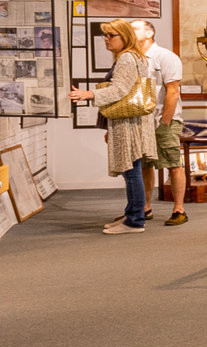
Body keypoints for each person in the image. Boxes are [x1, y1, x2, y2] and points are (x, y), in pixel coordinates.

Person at [68, 19, 157, 234]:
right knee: (131, 169)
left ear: (125, 37)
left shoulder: (127, 58)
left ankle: (135, 221)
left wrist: (88, 94)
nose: (106, 40)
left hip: (128, 123)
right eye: (105, 35)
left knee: (131, 170)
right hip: (131, 121)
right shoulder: (134, 56)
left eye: (111, 36)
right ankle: (131, 215)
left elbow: (119, 90)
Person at [131, 20, 189, 226]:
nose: (131, 31)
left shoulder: (166, 57)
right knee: (145, 164)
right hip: (142, 120)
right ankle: (145, 207)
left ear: (149, 32)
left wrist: (165, 120)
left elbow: (173, 91)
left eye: (135, 28)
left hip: (165, 119)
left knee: (173, 163)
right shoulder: (132, 58)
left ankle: (179, 209)